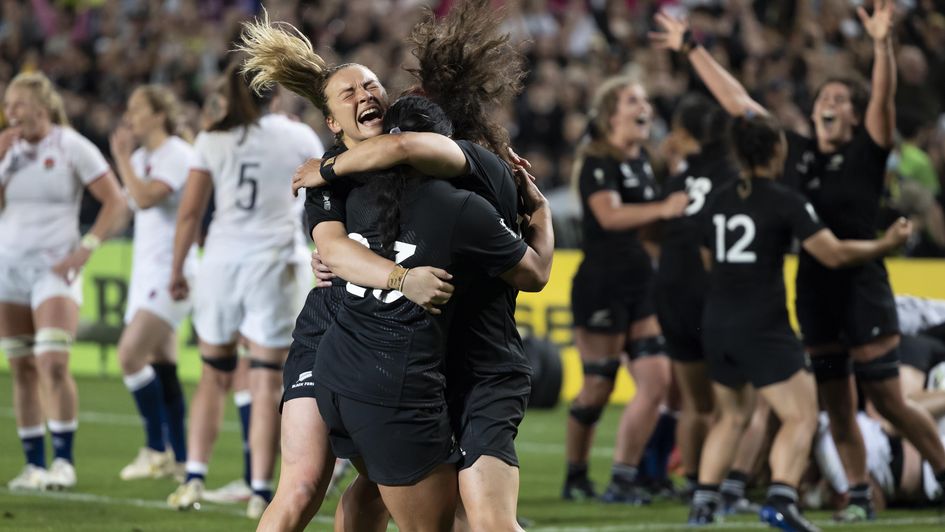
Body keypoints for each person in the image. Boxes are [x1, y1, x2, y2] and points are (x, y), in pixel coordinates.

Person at [651, 2, 945, 520]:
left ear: (853, 115)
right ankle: (857, 495)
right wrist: (693, 48)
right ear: (812, 112)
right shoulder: (794, 154)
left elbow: (884, 96)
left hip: (863, 290)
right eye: (824, 97)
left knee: (892, 401)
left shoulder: (868, 151)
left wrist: (881, 45)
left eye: (841, 99)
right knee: (835, 406)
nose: (831, 102)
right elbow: (738, 101)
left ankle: (943, 470)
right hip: (814, 292)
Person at [237, 15, 459, 531]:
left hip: (393, 344)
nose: (363, 94)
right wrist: (403, 279)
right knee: (302, 481)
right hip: (329, 332)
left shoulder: (415, 154)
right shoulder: (323, 181)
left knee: (375, 491)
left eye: (370, 84)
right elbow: (333, 252)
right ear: (333, 122)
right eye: (347, 93)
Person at [311, 94, 549, 532]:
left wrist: (328, 170)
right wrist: (542, 213)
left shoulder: (355, 192)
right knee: (468, 521)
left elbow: (332, 250)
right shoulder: (468, 194)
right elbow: (535, 274)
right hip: (438, 374)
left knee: (370, 495)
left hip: (353, 375)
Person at [691, 113, 911, 532]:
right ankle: (781, 499)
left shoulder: (719, 197)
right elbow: (833, 254)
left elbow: (706, 259)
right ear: (777, 150)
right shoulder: (784, 199)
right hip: (764, 325)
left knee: (731, 416)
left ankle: (702, 505)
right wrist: (886, 244)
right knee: (802, 413)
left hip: (717, 321)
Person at [164, 63, 318, 519]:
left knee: (213, 373)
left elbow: (191, 214)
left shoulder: (212, 139)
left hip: (223, 262)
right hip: (277, 262)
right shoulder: (300, 137)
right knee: (268, 379)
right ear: (278, 94)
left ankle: (193, 478)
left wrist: (177, 268)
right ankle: (259, 490)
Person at [563, 74, 689, 504]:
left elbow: (649, 228)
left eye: (646, 100)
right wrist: (665, 207)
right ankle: (576, 475)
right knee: (598, 387)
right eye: (633, 100)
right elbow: (610, 217)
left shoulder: (644, 163)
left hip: (641, 284)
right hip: (602, 284)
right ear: (610, 113)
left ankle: (624, 478)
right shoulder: (597, 159)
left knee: (659, 381)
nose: (644, 108)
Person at [0, 72, 127, 491]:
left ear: (40, 106)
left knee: (52, 363)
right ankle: (34, 465)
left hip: (55, 269)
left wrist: (86, 248)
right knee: (21, 366)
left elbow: (116, 201)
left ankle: (64, 462)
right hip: (8, 267)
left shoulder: (70, 145)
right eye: (8, 105)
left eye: (17, 104)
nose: (10, 112)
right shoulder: (7, 149)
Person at [654, 93, 740, 499]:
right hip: (711, 291)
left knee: (693, 401)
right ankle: (722, 482)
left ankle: (691, 481)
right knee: (732, 402)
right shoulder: (733, 174)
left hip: (670, 288)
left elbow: (654, 230)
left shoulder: (678, 178)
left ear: (688, 136)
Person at [108, 84, 195, 481]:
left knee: (129, 355)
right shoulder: (143, 157)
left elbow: (146, 198)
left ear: (160, 115)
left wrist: (121, 158)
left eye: (138, 109)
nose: (131, 116)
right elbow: (130, 208)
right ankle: (179, 458)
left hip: (172, 273)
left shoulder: (176, 154)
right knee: (164, 367)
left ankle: (155, 448)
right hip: (147, 271)